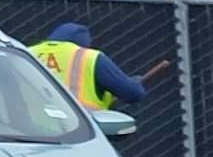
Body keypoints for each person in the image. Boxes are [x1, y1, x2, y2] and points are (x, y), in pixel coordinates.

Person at [28, 22, 161, 113]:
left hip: (28, 135)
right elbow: (132, 92)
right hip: (79, 134)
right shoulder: (88, 57)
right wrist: (136, 82)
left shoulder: (27, 52)